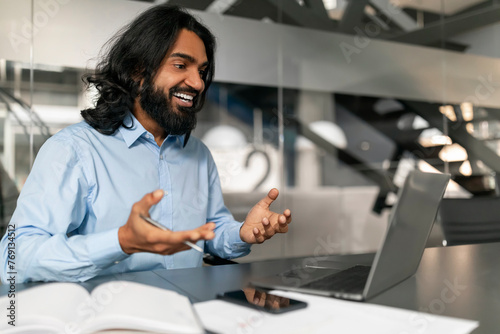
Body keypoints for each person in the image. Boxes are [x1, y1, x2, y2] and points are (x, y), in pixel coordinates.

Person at [0, 5, 291, 283]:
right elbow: (13, 258)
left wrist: (241, 233)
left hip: (190, 314)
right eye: (180, 65)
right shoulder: (73, 150)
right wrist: (120, 241)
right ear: (138, 71)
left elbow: (210, 231)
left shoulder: (198, 154)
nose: (198, 83)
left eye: (201, 71)